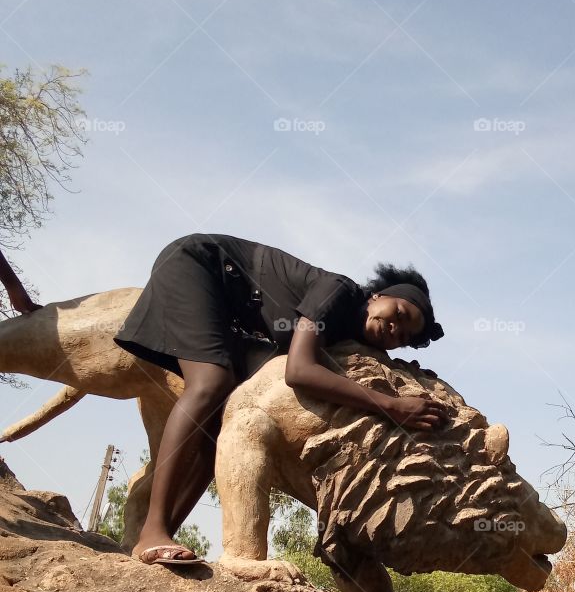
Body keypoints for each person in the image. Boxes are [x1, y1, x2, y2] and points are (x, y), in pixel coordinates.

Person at [113, 232, 451, 566]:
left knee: (215, 429)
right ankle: (152, 531)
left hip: (227, 313)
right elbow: (300, 371)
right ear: (377, 295)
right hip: (199, 264)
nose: (396, 329)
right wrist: (391, 406)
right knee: (210, 383)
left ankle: (159, 538)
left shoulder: (347, 334)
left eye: (404, 336)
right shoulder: (340, 291)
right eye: (401, 313)